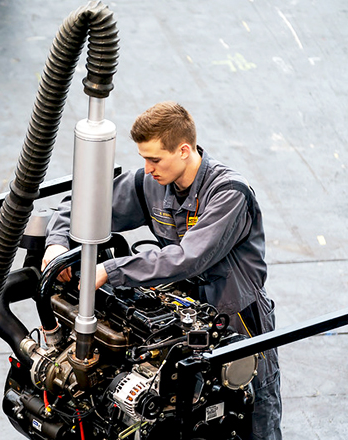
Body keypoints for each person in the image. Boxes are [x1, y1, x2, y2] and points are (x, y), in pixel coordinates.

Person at [41, 101, 282, 440]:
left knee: (254, 413)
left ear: (184, 150)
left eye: (155, 159)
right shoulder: (151, 182)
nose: (147, 167)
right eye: (143, 158)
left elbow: (189, 257)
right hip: (180, 320)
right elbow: (86, 203)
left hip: (236, 321)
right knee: (181, 418)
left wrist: (109, 270)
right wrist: (57, 243)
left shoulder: (229, 194)